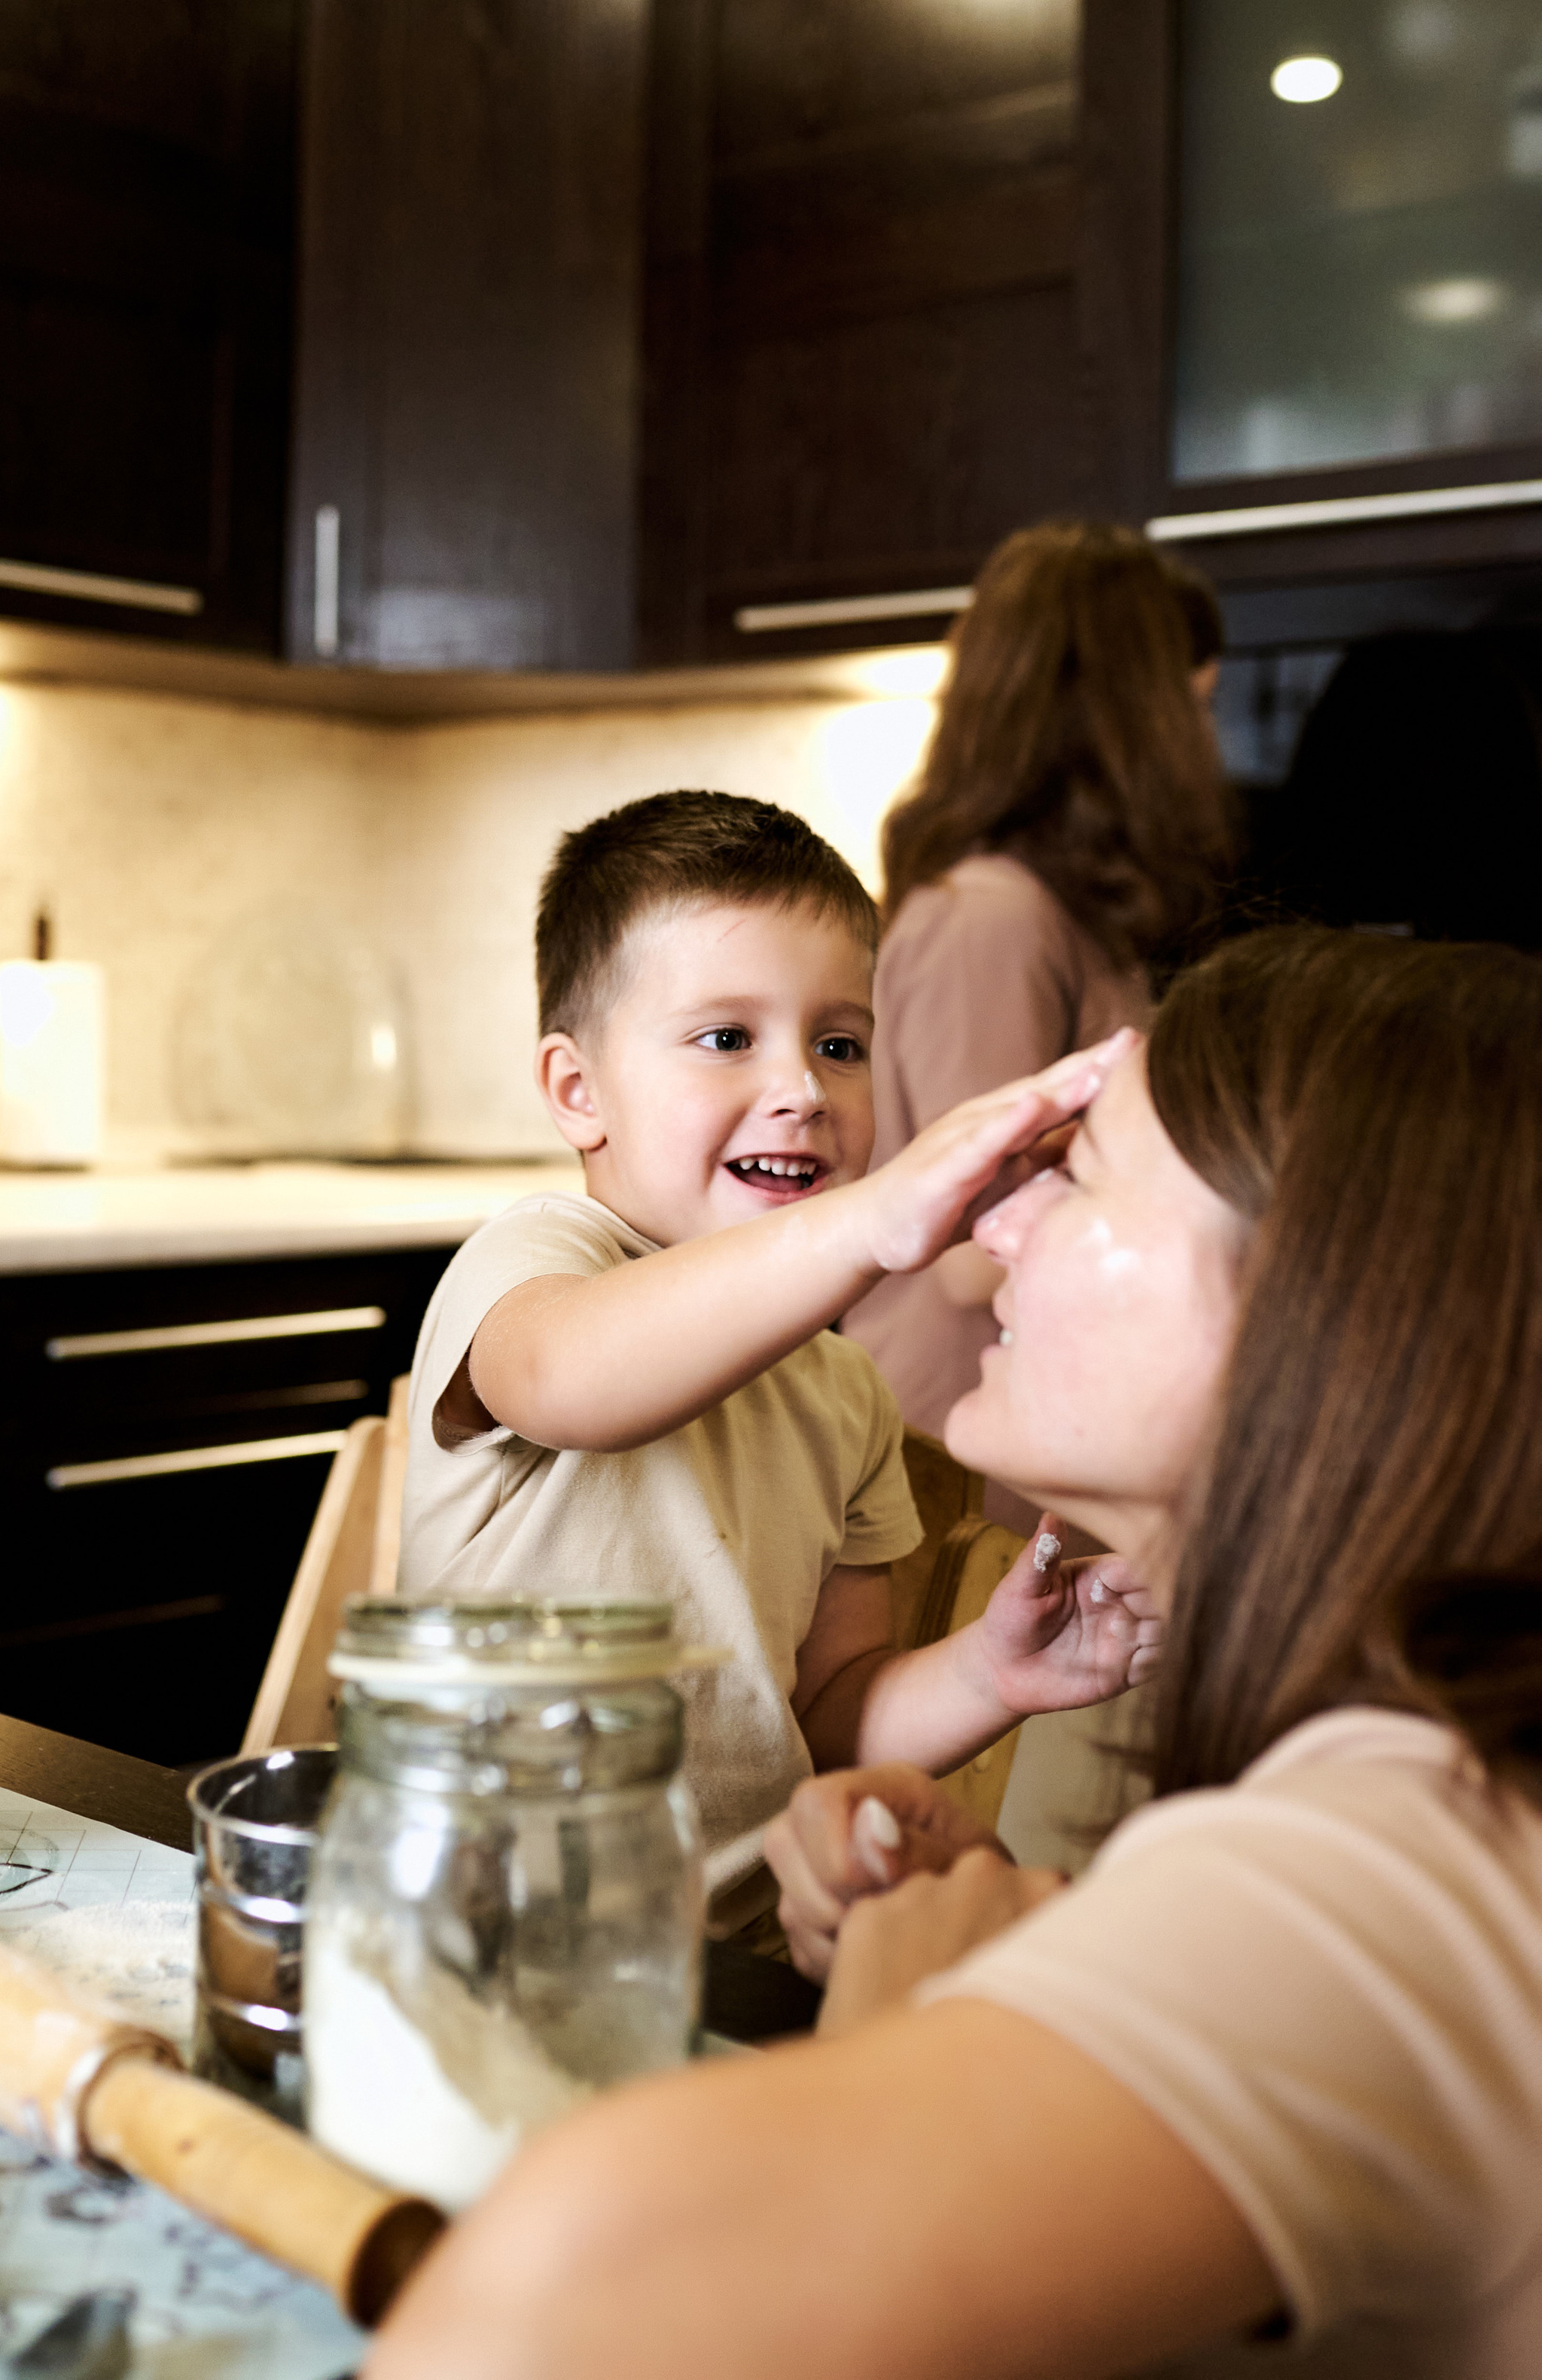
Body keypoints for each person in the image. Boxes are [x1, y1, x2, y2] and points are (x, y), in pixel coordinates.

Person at [370, 928, 1542, 2380]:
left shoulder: (1390, 1868)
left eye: (1083, 1167)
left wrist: (892, 2022)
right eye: (722, 1036)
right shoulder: (1414, 1816)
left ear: (1333, 1304)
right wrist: (1037, 1965)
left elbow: (538, 2318)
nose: (992, 1230)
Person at [398, 790, 1156, 1939]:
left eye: (839, 1044)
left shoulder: (843, 1388)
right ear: (576, 1091)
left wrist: (994, 1672)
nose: (803, 1088)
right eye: (727, 1037)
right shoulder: (535, 1264)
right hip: (483, 1935)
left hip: (735, 1954)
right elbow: (572, 1383)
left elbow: (827, 1718)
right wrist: (875, 1221)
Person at [845, 520, 1231, 1482]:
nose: (1207, 743)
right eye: (1194, 706)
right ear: (1133, 713)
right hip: (951, 1460)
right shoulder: (990, 917)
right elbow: (974, 1247)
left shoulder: (1056, 911)